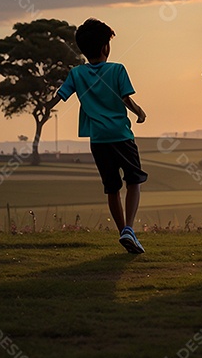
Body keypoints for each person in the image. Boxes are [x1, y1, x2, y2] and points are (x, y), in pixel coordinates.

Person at [52, 19, 148, 254]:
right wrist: (140, 112)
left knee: (112, 187)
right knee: (134, 180)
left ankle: (123, 231)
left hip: (98, 140)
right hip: (121, 135)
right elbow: (126, 99)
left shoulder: (77, 73)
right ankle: (130, 229)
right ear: (106, 47)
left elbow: (59, 96)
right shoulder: (117, 69)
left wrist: (45, 106)